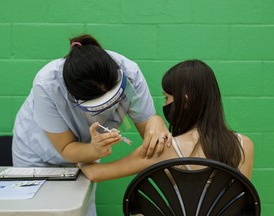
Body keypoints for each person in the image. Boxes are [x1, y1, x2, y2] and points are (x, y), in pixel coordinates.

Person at [12, 34, 171, 215]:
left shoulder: (130, 72)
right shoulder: (47, 84)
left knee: (81, 207)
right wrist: (94, 151)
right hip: (38, 153)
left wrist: (156, 121)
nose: (109, 109)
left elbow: (152, 138)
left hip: (88, 154)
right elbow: (66, 148)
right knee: (37, 210)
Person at [79, 59, 254, 183]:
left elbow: (95, 174)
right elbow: (241, 203)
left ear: (184, 101)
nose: (165, 104)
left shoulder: (163, 149)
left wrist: (78, 153)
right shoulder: (244, 145)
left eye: (166, 97)